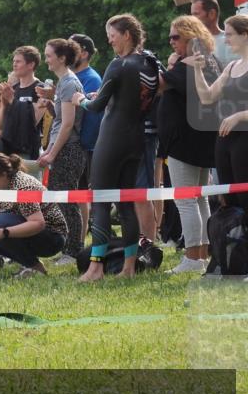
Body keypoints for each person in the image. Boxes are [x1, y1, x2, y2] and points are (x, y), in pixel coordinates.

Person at [72, 14, 160, 282]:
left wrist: (80, 100)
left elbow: (97, 106)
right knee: (125, 205)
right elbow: (133, 98)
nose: (109, 41)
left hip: (112, 138)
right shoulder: (149, 63)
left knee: (100, 201)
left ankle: (96, 268)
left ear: (127, 35)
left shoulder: (119, 64)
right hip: (136, 139)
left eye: (112, 35)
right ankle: (128, 267)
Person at [184, 13, 248, 269]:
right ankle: (239, 258)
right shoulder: (231, 66)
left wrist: (239, 116)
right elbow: (206, 97)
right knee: (229, 200)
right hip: (225, 141)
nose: (225, 39)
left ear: (245, 35)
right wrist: (197, 69)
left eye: (230, 34)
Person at [159, 15, 219, 273]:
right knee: (199, 199)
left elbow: (160, 84)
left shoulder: (189, 63)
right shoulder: (209, 60)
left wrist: (172, 64)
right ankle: (201, 254)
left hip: (184, 142)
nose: (171, 42)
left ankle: (193, 257)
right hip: (201, 140)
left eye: (176, 37)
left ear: (190, 36)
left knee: (186, 200)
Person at [0, 153, 68, 276]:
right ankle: (27, 264)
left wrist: (5, 232)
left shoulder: (23, 187)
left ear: (3, 174)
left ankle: (35, 267)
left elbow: (38, 223)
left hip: (53, 237)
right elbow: (8, 210)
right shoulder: (8, 182)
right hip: (40, 232)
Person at [36, 39, 86, 264]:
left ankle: (73, 250)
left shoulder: (69, 83)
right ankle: (69, 247)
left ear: (62, 58)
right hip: (63, 147)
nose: (46, 60)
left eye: (49, 56)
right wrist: (50, 106)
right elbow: (62, 119)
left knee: (67, 201)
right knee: (61, 199)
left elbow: (68, 125)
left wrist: (52, 154)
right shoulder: (64, 83)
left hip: (68, 150)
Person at [70, 33, 104, 242]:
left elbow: (90, 115)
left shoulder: (91, 78)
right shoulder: (71, 76)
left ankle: (79, 241)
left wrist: (83, 145)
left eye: (71, 48)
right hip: (74, 143)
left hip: (85, 145)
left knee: (81, 194)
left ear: (83, 53)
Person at [0, 46, 45, 160]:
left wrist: (12, 101)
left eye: (18, 61)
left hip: (25, 151)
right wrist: (5, 103)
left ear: (31, 65)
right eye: (14, 61)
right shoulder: (12, 90)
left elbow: (34, 120)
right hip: (5, 150)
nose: (14, 65)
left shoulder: (41, 89)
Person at [192, 0, 236, 65]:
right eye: (192, 15)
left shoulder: (231, 40)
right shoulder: (194, 44)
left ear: (212, 13)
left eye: (196, 14)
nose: (192, 19)